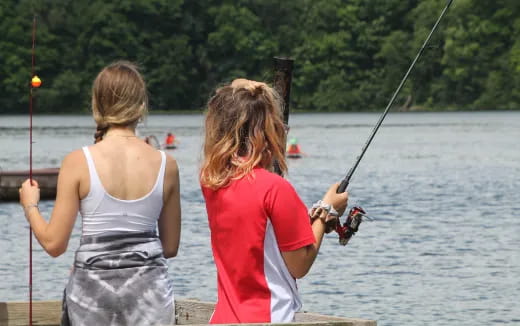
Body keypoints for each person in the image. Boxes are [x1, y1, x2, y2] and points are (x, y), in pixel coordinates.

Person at [19, 61, 181, 326]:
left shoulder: (78, 162)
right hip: (151, 302)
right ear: (141, 105)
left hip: (90, 301)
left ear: (97, 103)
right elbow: (170, 247)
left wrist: (30, 205)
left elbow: (54, 244)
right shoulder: (167, 165)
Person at [200, 78, 348, 323]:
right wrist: (326, 211)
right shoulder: (275, 188)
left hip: (223, 318)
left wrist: (255, 93)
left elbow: (223, 98)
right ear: (267, 133)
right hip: (267, 318)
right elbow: (299, 265)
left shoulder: (212, 180)